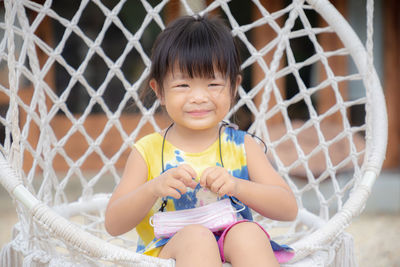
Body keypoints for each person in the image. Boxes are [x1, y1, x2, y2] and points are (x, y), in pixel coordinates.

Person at [105, 14, 298, 267]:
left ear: (234, 86)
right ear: (159, 90)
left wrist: (237, 186)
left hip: (231, 244)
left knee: (248, 233)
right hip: (169, 250)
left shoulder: (242, 146)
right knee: (197, 238)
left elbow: (288, 208)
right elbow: (113, 223)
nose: (198, 97)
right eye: (183, 85)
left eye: (213, 83)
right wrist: (153, 188)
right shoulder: (147, 151)